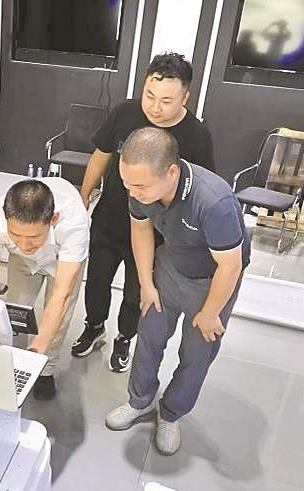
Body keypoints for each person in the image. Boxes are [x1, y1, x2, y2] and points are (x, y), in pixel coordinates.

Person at [104, 128, 250, 456]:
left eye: (140, 186)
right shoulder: (137, 187)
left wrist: (210, 312)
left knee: (197, 354)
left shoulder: (214, 202)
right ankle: (139, 401)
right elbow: (140, 228)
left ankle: (171, 414)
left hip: (211, 281)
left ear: (171, 172)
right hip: (169, 266)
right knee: (150, 337)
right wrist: (146, 283)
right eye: (127, 183)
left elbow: (230, 266)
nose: (132, 192)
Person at [74, 52, 215, 373]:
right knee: (96, 281)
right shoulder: (125, 113)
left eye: (166, 101)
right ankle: (94, 327)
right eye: (149, 95)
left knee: (137, 291)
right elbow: (101, 154)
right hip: (109, 220)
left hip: (157, 233)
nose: (154, 107)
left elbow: (201, 188)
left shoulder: (196, 136)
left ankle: (124, 337)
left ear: (185, 97)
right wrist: (84, 194)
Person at [0, 178, 90, 400]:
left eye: (33, 236)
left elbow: (61, 296)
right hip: (21, 262)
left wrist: (35, 355)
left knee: (59, 315)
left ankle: (46, 370)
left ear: (53, 219)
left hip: (62, 259)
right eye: (15, 235)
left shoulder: (73, 223)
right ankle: (10, 359)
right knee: (14, 307)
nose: (24, 244)